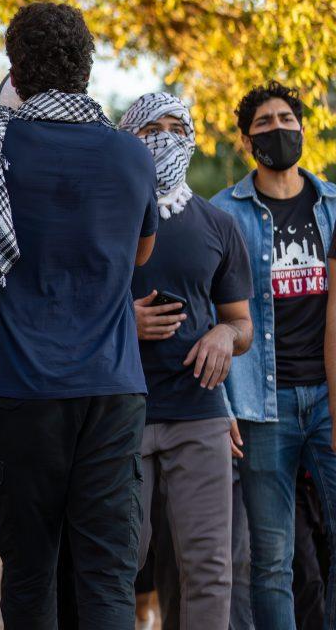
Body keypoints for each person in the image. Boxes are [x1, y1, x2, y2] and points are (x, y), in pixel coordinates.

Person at [0, 2, 158, 629]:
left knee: (30, 572)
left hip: (19, 391)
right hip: (111, 389)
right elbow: (141, 250)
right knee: (106, 575)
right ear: (86, 66)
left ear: (15, 70)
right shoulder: (132, 156)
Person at [117, 91, 253, 629]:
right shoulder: (105, 219)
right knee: (120, 560)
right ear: (128, 139)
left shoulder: (217, 225)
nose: (167, 138)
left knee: (210, 566)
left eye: (178, 127)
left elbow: (241, 323)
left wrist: (224, 335)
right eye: (152, 129)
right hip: (121, 412)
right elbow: (69, 306)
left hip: (199, 414)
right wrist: (123, 324)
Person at [212, 81, 336, 629]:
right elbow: (209, 312)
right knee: (271, 561)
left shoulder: (333, 204)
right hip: (262, 406)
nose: (277, 129)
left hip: (331, 397)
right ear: (246, 140)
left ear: (303, 128)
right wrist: (223, 406)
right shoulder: (223, 214)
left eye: (286, 118)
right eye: (263, 123)